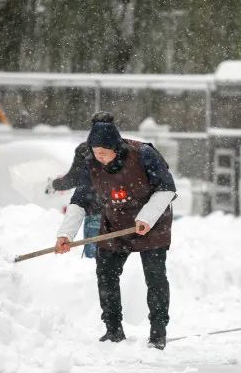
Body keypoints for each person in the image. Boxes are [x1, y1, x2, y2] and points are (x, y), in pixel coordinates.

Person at [54, 121, 176, 349]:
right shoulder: (91, 164)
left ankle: (158, 333)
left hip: (151, 224)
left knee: (155, 278)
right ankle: (113, 329)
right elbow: (79, 200)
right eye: (94, 152)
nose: (98, 156)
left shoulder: (143, 154)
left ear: (115, 147)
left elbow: (167, 188)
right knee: (106, 273)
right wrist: (66, 235)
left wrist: (146, 218)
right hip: (115, 223)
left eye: (102, 152)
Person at [46, 112, 114, 258]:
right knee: (116, 266)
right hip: (121, 215)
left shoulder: (85, 150)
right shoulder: (124, 149)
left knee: (96, 264)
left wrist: (54, 184)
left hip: (95, 212)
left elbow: (74, 179)